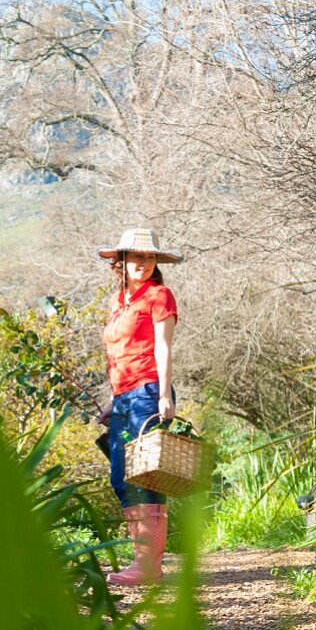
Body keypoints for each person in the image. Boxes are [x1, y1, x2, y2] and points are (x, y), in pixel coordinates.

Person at [96, 227, 183, 586]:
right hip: (123, 397)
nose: (143, 263)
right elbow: (117, 354)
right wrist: (111, 400)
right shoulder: (118, 302)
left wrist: (163, 395)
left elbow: (163, 347)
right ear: (121, 261)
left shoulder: (159, 296)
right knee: (121, 477)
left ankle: (148, 565)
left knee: (144, 477)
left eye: (149, 257)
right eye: (136, 257)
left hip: (148, 392)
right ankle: (144, 561)